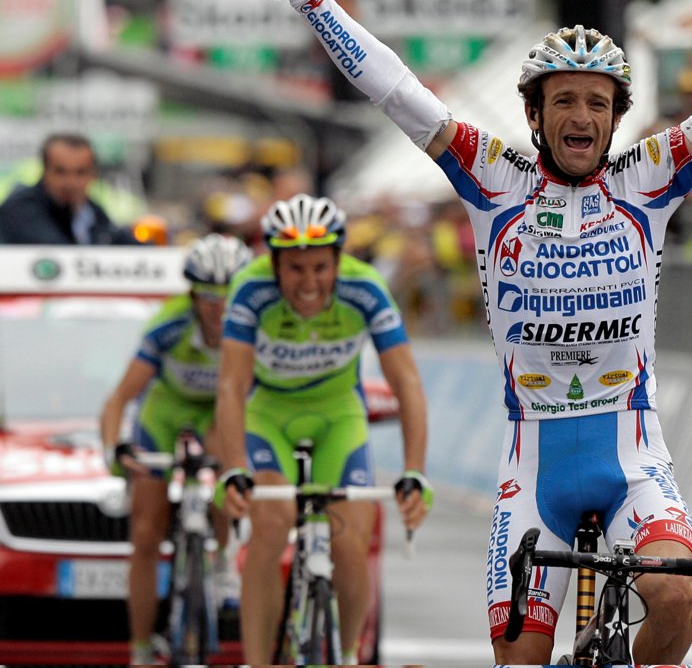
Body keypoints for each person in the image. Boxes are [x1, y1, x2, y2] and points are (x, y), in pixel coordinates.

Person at [257, 0, 692, 664]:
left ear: (616, 116)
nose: (581, 118)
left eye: (597, 104)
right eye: (564, 102)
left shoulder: (647, 180)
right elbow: (397, 90)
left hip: (631, 461)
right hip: (533, 471)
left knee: (674, 598)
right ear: (533, 114)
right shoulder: (493, 180)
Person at [214, 193, 432, 665]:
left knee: (350, 543)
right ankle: (256, 660)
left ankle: (349, 652)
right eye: (295, 269)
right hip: (269, 414)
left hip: (339, 415)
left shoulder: (367, 288)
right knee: (270, 526)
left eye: (320, 267)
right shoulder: (250, 290)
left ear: (338, 260)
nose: (309, 283)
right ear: (273, 265)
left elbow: (407, 383)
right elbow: (231, 387)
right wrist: (233, 469)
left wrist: (415, 471)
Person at [100, 233, 253, 665]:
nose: (219, 307)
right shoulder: (170, 324)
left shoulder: (255, 327)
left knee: (228, 449)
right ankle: (141, 647)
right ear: (191, 293)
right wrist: (115, 449)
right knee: (146, 535)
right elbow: (117, 400)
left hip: (219, 412)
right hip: (166, 412)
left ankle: (224, 559)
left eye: (229, 295)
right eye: (208, 296)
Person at [0, 133, 140, 245]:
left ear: (93, 174)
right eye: (61, 172)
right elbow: (59, 253)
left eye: (80, 172)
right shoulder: (21, 208)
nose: (70, 182)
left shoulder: (92, 212)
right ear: (44, 171)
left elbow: (118, 240)